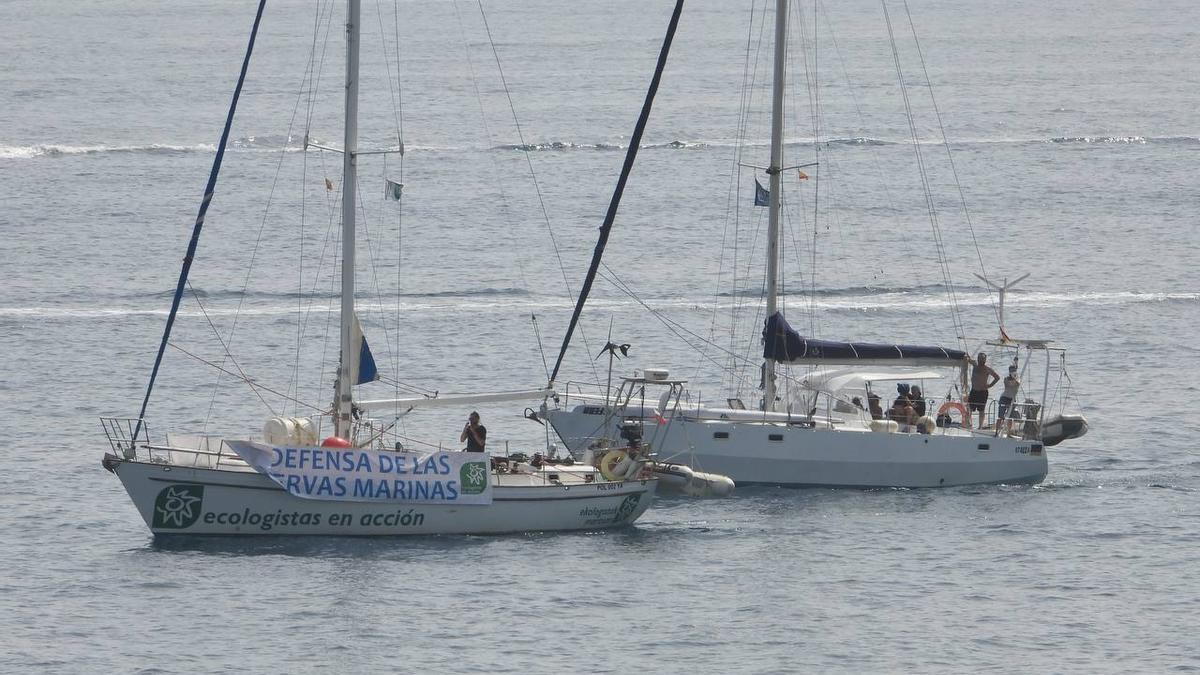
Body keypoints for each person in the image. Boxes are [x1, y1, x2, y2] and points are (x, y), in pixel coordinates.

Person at [965, 352, 999, 429]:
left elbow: (997, 377)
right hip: (974, 391)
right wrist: (966, 356)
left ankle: (980, 426)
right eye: (980, 358)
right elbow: (968, 359)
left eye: (983, 359)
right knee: (969, 409)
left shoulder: (987, 369)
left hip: (983, 392)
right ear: (978, 359)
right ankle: (969, 425)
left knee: (981, 410)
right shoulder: (975, 365)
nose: (981, 360)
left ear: (985, 360)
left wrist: (989, 385)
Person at [997, 366, 1020, 432]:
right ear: (1009, 371)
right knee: (1000, 416)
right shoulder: (1006, 379)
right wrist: (1012, 378)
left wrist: (1014, 377)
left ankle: (1009, 432)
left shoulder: (1018, 379)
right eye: (1011, 370)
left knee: (1010, 417)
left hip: (1012, 399)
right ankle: (997, 431)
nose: (1012, 371)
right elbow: (1009, 384)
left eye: (1013, 370)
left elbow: (1017, 383)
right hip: (1004, 398)